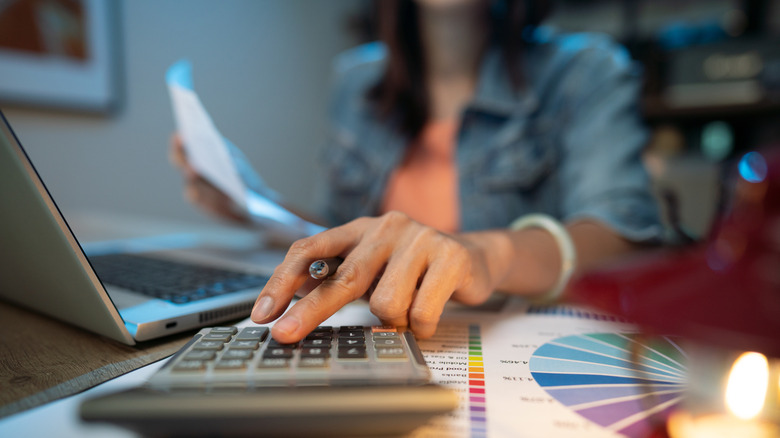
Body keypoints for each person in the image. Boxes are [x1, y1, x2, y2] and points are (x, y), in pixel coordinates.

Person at [170, 0, 663, 344]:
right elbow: (340, 236)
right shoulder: (354, 81)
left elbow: (624, 237)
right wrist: (254, 204)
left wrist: (486, 253)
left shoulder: (586, 71)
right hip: (379, 340)